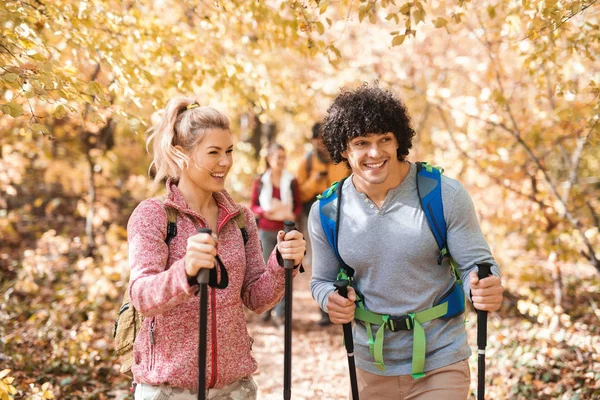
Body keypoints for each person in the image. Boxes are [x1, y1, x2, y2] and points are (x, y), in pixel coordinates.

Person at [309, 84, 503, 399]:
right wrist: (329, 298)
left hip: (441, 357)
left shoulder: (443, 194)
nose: (375, 153)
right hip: (372, 365)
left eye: (384, 139)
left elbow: (476, 266)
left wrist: (483, 285)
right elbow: (321, 280)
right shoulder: (328, 211)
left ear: (399, 139)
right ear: (343, 149)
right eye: (361, 143)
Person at [127, 97, 306, 400]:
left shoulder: (239, 219)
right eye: (213, 152)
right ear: (181, 154)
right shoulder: (153, 215)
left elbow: (256, 297)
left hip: (234, 389)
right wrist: (185, 271)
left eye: (229, 151)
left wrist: (282, 262)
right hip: (168, 389)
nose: (225, 162)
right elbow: (142, 296)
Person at [296, 122, 349, 326]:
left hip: (342, 215)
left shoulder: (342, 160)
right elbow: (300, 193)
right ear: (313, 141)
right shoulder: (307, 163)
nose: (323, 144)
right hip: (315, 216)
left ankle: (346, 302)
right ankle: (325, 310)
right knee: (321, 261)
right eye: (319, 139)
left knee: (343, 258)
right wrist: (315, 181)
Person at [250, 143, 303, 323]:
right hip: (266, 229)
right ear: (269, 159)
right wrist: (265, 211)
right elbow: (253, 206)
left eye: (282, 157)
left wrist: (289, 214)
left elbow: (298, 206)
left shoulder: (291, 180)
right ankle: (265, 308)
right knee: (265, 271)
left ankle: (281, 313)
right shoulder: (260, 181)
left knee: (285, 271)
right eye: (276, 157)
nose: (280, 161)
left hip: (285, 231)